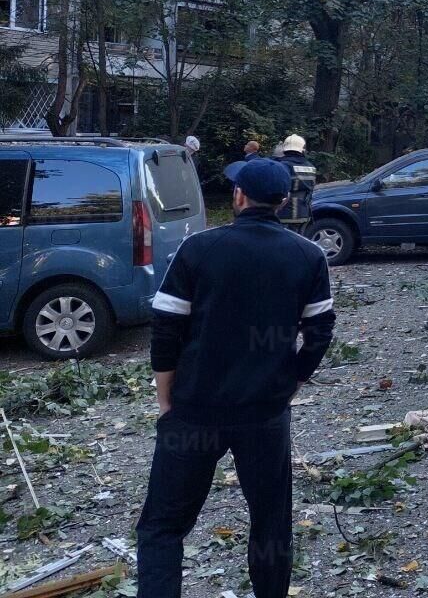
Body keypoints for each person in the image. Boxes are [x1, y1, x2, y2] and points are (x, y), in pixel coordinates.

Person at [136, 158, 335, 598]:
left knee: (162, 527)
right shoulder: (308, 255)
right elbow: (320, 332)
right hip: (264, 415)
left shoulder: (199, 249)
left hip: (193, 412)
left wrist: (167, 400)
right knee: (270, 523)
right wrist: (291, 381)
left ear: (239, 197)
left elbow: (166, 329)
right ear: (283, 202)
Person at [274, 134, 317, 234]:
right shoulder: (311, 167)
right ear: (302, 149)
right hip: (304, 213)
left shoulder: (282, 166)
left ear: (285, 149)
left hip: (284, 213)